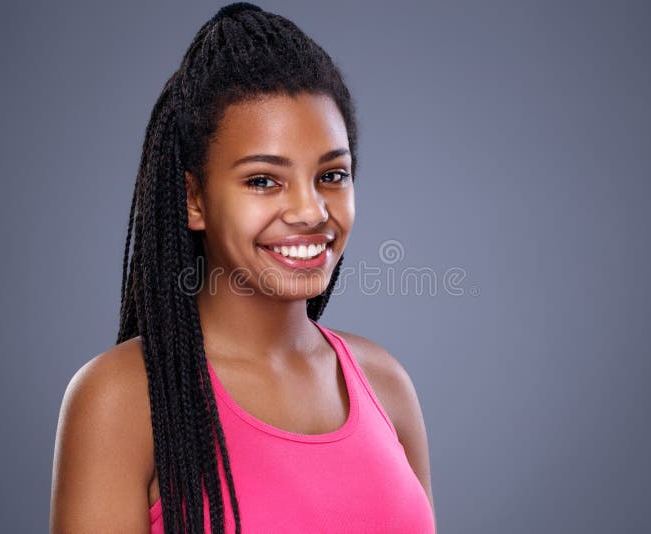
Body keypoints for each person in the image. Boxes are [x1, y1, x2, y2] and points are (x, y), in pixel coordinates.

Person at [50, 3, 435, 533]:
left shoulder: (384, 383)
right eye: (263, 180)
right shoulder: (122, 399)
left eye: (332, 175)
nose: (310, 211)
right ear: (194, 199)